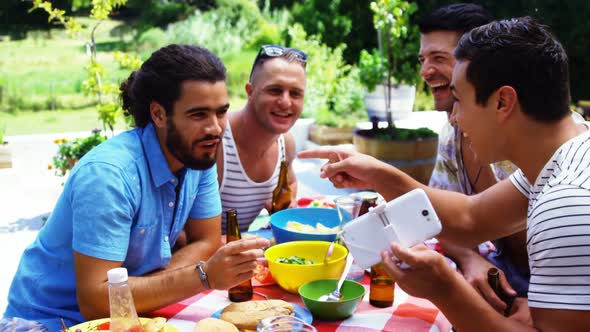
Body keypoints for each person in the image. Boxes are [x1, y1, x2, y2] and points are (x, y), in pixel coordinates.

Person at [300, 17, 590, 330]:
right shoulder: (562, 153)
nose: (455, 118)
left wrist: (445, 289)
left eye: (460, 102)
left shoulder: (567, 202)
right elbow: (471, 217)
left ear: (503, 102)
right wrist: (379, 174)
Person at [1, 44, 269, 332]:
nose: (215, 128)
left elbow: (206, 241)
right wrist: (202, 276)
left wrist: (151, 284)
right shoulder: (109, 176)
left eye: (221, 112)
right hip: (49, 321)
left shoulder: (196, 154)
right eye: (198, 114)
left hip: (133, 313)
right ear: (159, 114)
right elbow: (95, 301)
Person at [418, 3, 529, 314]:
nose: (425, 71)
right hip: (507, 286)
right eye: (422, 59)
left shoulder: (532, 133)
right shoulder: (451, 133)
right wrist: (470, 259)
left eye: (438, 58)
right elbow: (438, 219)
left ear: (477, 63)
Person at [218, 45, 306, 232]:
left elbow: (290, 181)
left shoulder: (286, 142)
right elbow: (184, 233)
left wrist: (284, 206)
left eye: (295, 93)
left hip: (241, 253)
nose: (286, 102)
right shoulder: (217, 142)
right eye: (275, 90)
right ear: (250, 91)